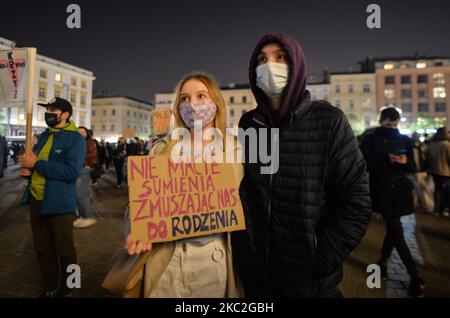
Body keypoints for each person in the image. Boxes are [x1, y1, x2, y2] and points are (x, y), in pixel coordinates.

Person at [231, 33, 371, 298]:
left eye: (280, 57)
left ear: (296, 66)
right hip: (256, 280)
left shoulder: (330, 121)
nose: (269, 66)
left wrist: (321, 257)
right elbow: (242, 191)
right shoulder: (248, 124)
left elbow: (356, 200)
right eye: (262, 59)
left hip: (309, 286)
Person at [122, 72, 243, 298]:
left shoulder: (235, 151)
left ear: (216, 102)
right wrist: (137, 230)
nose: (192, 104)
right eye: (185, 98)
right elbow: (138, 202)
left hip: (211, 261)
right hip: (166, 258)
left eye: (201, 96)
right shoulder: (161, 149)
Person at [19, 97, 86, 298]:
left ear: (65, 115)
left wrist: (37, 164)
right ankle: (49, 285)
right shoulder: (45, 135)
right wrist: (28, 170)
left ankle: (71, 286)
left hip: (60, 203)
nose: (48, 112)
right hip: (36, 199)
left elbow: (71, 172)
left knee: (65, 250)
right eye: (47, 109)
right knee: (43, 249)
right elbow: (34, 163)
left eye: (53, 110)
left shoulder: (75, 139)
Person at [360, 107, 425, 297]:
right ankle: (414, 275)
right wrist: (384, 158)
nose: (392, 128)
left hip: (401, 190)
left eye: (395, 125)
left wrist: (405, 161)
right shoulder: (371, 137)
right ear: (382, 122)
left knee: (393, 228)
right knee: (397, 230)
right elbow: (362, 162)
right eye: (389, 125)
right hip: (382, 189)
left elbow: (414, 167)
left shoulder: (404, 139)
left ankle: (382, 263)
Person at [74, 126, 98, 228]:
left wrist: (86, 163)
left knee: (81, 195)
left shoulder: (88, 142)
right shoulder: (76, 142)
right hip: (77, 169)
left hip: (84, 169)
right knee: (79, 193)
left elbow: (92, 155)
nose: (81, 133)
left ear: (86, 133)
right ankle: (82, 216)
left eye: (83, 132)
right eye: (78, 132)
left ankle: (87, 217)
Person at [426, 127, 450, 217]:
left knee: (437, 190)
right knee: (446, 191)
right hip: (446, 171)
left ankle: (437, 210)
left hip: (434, 171)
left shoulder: (432, 144)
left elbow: (428, 158)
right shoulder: (446, 145)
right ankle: (445, 209)